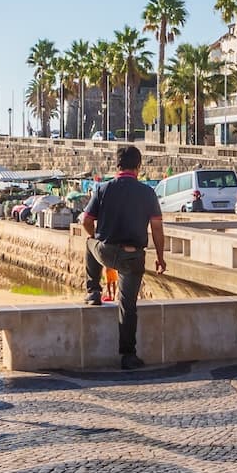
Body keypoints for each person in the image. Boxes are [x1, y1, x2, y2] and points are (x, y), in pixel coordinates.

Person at [79, 144, 167, 370]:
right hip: (133, 257)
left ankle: (94, 292)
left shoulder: (102, 189)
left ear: (117, 165)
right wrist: (159, 257)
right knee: (128, 305)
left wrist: (96, 236)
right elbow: (157, 228)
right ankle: (128, 355)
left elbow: (86, 221)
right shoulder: (148, 192)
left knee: (89, 244)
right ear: (138, 167)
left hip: (106, 252)